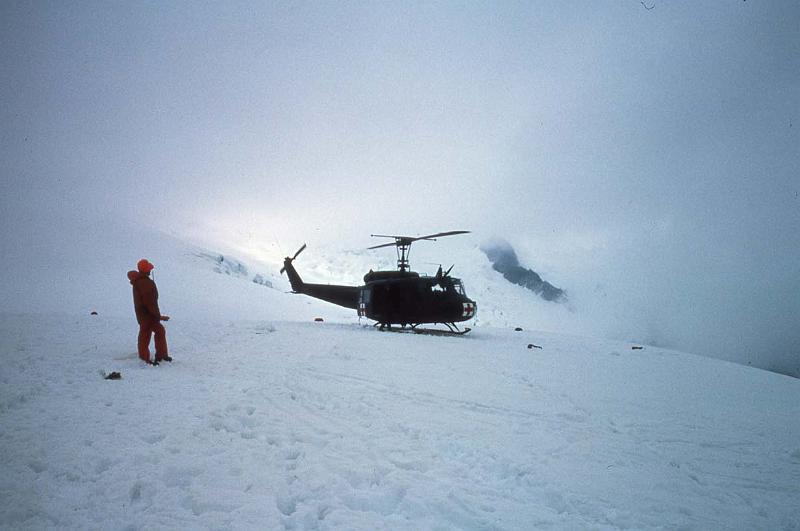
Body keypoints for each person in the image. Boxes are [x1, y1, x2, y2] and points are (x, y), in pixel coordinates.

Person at [127, 258, 172, 365]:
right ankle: (147, 359)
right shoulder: (145, 283)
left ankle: (156, 357)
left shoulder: (139, 281)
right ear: (146, 270)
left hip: (144, 315)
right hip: (148, 315)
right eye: (149, 268)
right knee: (147, 334)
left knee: (154, 332)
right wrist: (156, 315)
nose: (150, 270)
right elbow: (150, 302)